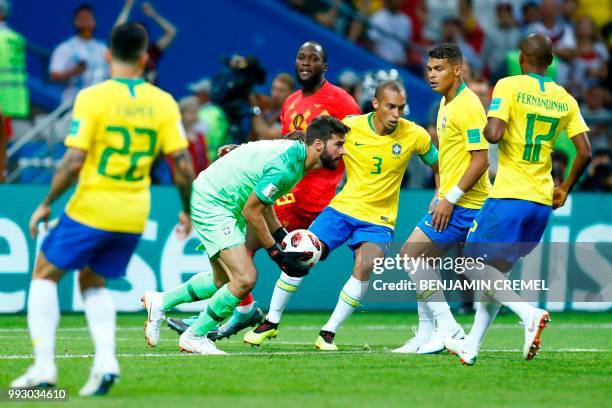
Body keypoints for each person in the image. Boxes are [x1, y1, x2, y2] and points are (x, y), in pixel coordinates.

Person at [11, 23, 194, 395]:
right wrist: (186, 209)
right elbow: (184, 165)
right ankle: (106, 363)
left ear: (108, 55)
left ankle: (44, 367)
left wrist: (47, 202)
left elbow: (74, 160)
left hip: (93, 206)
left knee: (44, 274)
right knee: (93, 281)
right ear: (145, 59)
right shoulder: (163, 102)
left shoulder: (93, 97)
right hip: (133, 213)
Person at [167, 41, 360, 341]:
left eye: (313, 59)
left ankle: (257, 317)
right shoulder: (292, 102)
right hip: (285, 191)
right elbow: (286, 143)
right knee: (242, 251)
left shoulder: (342, 101)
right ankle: (238, 313)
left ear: (325, 66)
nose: (305, 63)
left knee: (296, 257)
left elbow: (353, 145)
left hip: (318, 197)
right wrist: (245, 150)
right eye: (300, 57)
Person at [244, 80, 440, 349]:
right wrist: (244, 151)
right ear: (375, 104)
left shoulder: (415, 135)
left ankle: (328, 333)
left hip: (378, 220)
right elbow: (310, 138)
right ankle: (271, 322)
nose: (397, 114)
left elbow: (438, 162)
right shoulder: (351, 125)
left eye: (401, 108)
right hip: (342, 209)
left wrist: (440, 193)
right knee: (301, 253)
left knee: (365, 265)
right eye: (391, 107)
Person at [142, 116, 349, 355]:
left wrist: (281, 235)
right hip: (215, 202)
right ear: (319, 145)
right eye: (339, 144)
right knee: (245, 278)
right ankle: (195, 335)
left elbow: (264, 201)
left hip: (221, 202)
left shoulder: (297, 158)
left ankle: (160, 302)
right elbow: (252, 211)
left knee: (221, 281)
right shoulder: (288, 165)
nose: (342, 152)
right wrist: (277, 255)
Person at [445, 33, 592, 365]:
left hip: (510, 194)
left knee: (470, 264)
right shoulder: (565, 98)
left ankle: (528, 314)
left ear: (522, 59)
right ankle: (471, 346)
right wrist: (565, 187)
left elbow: (494, 133)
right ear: (550, 63)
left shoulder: (509, 85)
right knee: (494, 274)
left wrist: (484, 125)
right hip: (541, 200)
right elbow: (585, 150)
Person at [392, 43, 490, 354]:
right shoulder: (447, 103)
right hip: (454, 200)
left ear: (457, 70)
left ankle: (449, 329)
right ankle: (427, 335)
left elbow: (480, 160)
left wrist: (450, 198)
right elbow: (453, 159)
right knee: (423, 261)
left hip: (467, 205)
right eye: (430, 69)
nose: (432, 75)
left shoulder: (468, 105)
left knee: (410, 256)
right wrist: (439, 192)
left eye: (440, 69)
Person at [49, 4, 108, 103]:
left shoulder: (102, 48)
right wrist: (74, 71)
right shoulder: (66, 48)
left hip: (99, 103)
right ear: (75, 22)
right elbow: (54, 75)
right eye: (82, 18)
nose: (86, 21)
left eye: (89, 18)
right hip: (74, 103)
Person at [114, 0, 178, 84]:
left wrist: (153, 14)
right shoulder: (123, 53)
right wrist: (127, 7)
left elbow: (172, 32)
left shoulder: (151, 52)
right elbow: (116, 33)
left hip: (150, 95)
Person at [249, 73, 295, 141]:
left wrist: (255, 108)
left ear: (291, 93)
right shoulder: (269, 107)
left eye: (281, 91)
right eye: (274, 89)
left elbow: (267, 134)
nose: (275, 94)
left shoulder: (292, 114)